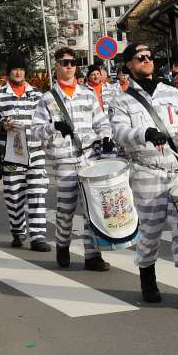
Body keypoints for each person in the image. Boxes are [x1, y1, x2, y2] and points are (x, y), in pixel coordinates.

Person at [110, 42, 178, 310]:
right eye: (140, 57)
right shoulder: (122, 100)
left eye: (149, 56)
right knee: (150, 232)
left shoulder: (173, 93)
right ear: (129, 64)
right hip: (145, 172)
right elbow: (119, 133)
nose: (146, 59)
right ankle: (147, 280)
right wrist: (146, 134)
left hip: (177, 171)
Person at [31, 47, 113, 271]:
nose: (69, 66)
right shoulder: (47, 99)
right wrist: (53, 126)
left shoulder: (88, 94)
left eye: (73, 62)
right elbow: (35, 131)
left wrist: (106, 137)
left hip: (89, 158)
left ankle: (92, 255)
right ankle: (63, 245)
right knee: (66, 209)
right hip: (64, 160)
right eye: (64, 62)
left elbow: (102, 122)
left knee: (90, 208)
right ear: (56, 66)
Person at [0, 54, 49, 251]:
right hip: (10, 154)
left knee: (36, 194)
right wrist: (1, 126)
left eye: (21, 69)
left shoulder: (37, 94)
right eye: (14, 69)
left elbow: (48, 120)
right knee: (13, 195)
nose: (18, 72)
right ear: (8, 72)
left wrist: (46, 139)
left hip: (35, 151)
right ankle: (18, 231)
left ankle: (38, 237)